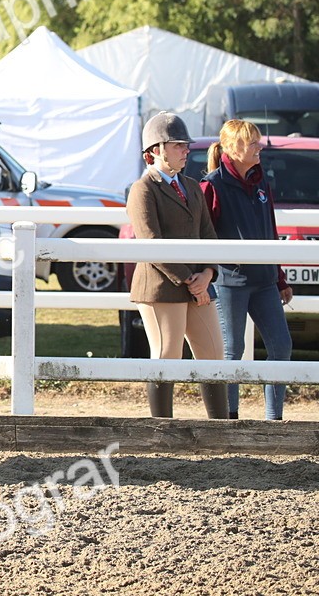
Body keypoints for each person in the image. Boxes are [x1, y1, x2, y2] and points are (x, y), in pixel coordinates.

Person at [126, 112, 228, 418]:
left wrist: (208, 273)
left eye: (185, 145)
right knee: (167, 353)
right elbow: (151, 241)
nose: (186, 150)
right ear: (156, 150)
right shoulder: (143, 189)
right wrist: (190, 280)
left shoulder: (192, 186)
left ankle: (220, 426)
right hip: (161, 286)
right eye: (178, 145)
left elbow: (208, 233)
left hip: (197, 282)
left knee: (212, 353)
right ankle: (162, 426)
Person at [200, 119, 294, 420]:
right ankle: (229, 419)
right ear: (234, 148)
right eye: (253, 142)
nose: (260, 147)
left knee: (282, 346)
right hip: (231, 282)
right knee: (232, 350)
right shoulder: (212, 186)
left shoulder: (262, 182)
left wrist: (279, 277)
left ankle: (273, 419)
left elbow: (270, 230)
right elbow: (204, 235)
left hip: (264, 281)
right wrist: (208, 274)